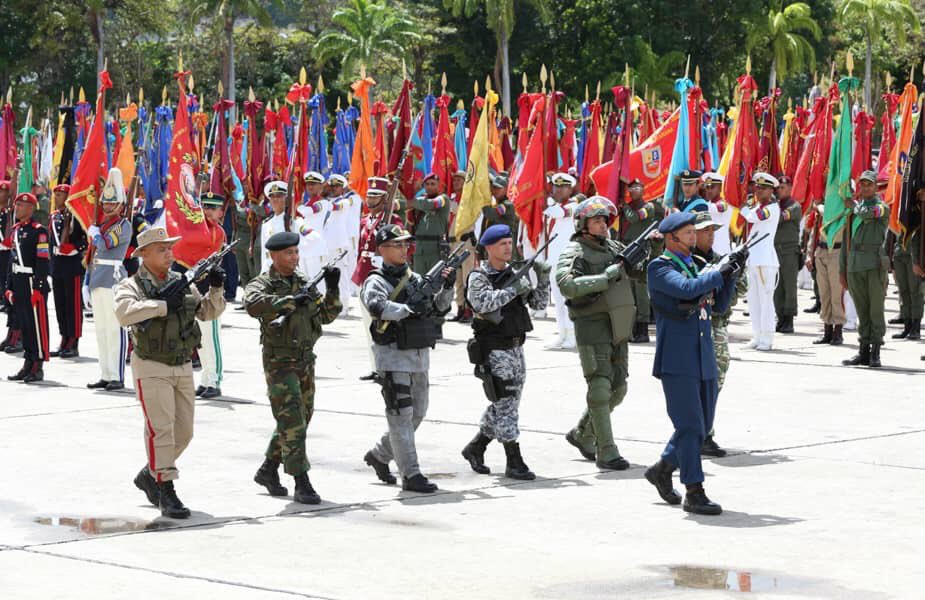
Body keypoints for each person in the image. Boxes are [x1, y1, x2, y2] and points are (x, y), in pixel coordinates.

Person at [114, 226, 226, 519]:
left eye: (169, 248)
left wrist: (215, 288)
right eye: (161, 249)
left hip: (181, 362)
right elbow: (124, 313)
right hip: (151, 364)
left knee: (184, 431)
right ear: (145, 255)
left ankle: (150, 474)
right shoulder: (132, 284)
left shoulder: (181, 281)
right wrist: (162, 306)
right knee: (161, 428)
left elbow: (207, 313)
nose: (168, 253)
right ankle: (166, 489)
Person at [644, 211, 741, 516]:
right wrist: (719, 271)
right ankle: (694, 491)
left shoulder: (696, 265)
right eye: (687, 233)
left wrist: (733, 271)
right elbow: (686, 290)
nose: (693, 237)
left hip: (703, 354)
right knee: (689, 425)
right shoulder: (660, 267)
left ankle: (663, 468)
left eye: (692, 233)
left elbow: (719, 306)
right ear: (672, 238)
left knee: (701, 426)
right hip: (678, 357)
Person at [244, 231, 342, 504]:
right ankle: (301, 480)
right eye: (288, 253)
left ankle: (267, 470)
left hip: (305, 360)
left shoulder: (303, 282)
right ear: (273, 256)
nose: (294, 257)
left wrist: (332, 288)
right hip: (280, 361)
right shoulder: (262, 283)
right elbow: (252, 305)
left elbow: (327, 316)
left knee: (300, 418)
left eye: (296, 252)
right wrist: (288, 301)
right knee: (292, 422)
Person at [361, 224, 455, 493]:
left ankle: (380, 454)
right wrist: (407, 309)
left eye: (405, 245)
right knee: (401, 417)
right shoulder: (375, 281)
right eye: (397, 245)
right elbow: (377, 306)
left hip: (418, 354)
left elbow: (438, 308)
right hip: (392, 357)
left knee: (418, 413)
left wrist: (446, 288)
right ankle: (411, 474)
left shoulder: (414, 279)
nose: (404, 250)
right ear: (382, 249)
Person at [555, 197, 639, 470]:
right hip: (592, 325)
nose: (603, 225)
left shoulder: (615, 247)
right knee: (600, 386)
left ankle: (583, 433)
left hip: (618, 323)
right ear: (583, 225)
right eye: (597, 221)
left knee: (619, 388)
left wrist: (652, 250)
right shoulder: (574, 250)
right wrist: (604, 277)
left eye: (605, 220)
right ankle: (606, 450)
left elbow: (641, 274)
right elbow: (566, 284)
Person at [461, 224, 550, 480]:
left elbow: (539, 305)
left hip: (516, 347)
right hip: (493, 348)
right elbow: (482, 303)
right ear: (489, 248)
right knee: (506, 403)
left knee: (506, 403)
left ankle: (476, 447)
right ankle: (514, 460)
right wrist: (513, 290)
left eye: (510, 243)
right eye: (502, 244)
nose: (508, 248)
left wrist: (541, 281)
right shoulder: (479, 277)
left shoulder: (515, 273)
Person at [690, 212, 744, 458]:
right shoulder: (688, 261)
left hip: (718, 326)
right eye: (705, 231)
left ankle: (703, 430)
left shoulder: (720, 259)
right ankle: (700, 433)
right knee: (700, 383)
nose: (710, 235)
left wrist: (738, 269)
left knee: (716, 380)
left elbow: (735, 294)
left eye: (713, 231)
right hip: (698, 326)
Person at [84, 168, 132, 391]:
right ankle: (106, 373)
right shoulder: (103, 226)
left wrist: (94, 234)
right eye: (105, 204)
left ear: (121, 206)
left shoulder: (123, 226)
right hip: (98, 278)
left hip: (113, 280)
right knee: (101, 330)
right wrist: (87, 282)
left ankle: (117, 375)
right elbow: (93, 256)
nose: (107, 207)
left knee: (115, 329)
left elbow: (104, 245)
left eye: (112, 204)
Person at [352, 176, 404, 382]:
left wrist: (384, 258)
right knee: (369, 326)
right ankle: (376, 367)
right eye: (369, 195)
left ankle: (389, 367)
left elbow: (404, 248)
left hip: (383, 279)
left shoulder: (394, 221)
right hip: (365, 277)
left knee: (386, 325)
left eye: (375, 196)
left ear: (384, 199)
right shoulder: (365, 220)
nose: (370, 200)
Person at [841, 170, 889, 368]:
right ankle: (863, 351)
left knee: (875, 309)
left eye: (869, 184)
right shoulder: (854, 211)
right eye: (862, 184)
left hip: (874, 264)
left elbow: (868, 214)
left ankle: (876, 351)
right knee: (861, 309)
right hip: (855, 264)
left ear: (876, 186)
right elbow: (847, 241)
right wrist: (842, 269)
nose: (865, 187)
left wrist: (853, 206)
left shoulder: (881, 207)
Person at [4, 192, 51, 383]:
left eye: (22, 206)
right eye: (17, 205)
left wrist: (39, 288)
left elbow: (43, 261)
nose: (18, 208)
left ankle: (37, 366)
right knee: (25, 326)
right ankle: (27, 363)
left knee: (37, 327)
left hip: (33, 283)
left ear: (31, 209)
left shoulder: (39, 231)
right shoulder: (15, 230)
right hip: (19, 282)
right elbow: (12, 260)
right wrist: (9, 287)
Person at [193, 192, 229, 399]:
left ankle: (214, 380)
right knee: (200, 338)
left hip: (210, 290)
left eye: (212, 208)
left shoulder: (218, 232)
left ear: (221, 211)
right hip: (196, 288)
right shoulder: (196, 229)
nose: (207, 211)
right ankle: (206, 379)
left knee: (211, 337)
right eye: (205, 207)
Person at [740, 172, 781, 351]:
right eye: (757, 187)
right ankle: (757, 335)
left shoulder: (772, 208)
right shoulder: (757, 206)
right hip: (754, 258)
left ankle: (767, 337)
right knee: (753, 299)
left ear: (771, 190)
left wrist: (744, 207)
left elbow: (752, 217)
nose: (759, 191)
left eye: (763, 188)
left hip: (766, 260)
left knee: (766, 300)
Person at [48, 184, 88, 358]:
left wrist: (75, 247)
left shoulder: (77, 216)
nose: (56, 197)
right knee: (60, 305)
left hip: (72, 265)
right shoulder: (54, 216)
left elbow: (87, 238)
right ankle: (64, 337)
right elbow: (51, 242)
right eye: (55, 194)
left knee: (73, 305)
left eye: (60, 194)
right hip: (57, 265)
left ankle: (73, 341)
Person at [620, 179, 661, 343]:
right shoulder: (627, 206)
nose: (634, 190)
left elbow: (634, 218)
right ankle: (632, 328)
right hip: (627, 249)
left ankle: (643, 330)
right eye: (631, 188)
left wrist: (625, 207)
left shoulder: (648, 207)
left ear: (643, 189)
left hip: (641, 252)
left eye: (638, 187)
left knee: (641, 291)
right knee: (629, 289)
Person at [543, 173, 580, 349]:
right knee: (557, 299)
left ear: (570, 188)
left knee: (568, 299)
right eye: (555, 187)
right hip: (554, 260)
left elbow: (562, 212)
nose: (557, 190)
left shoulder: (574, 205)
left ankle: (572, 334)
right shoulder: (556, 206)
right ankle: (562, 333)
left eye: (562, 187)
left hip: (568, 261)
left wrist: (546, 204)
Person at [773, 175, 802, 334]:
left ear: (790, 188)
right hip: (775, 250)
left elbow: (779, 218)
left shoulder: (794, 206)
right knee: (778, 287)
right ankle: (780, 318)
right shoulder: (775, 205)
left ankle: (789, 319)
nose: (779, 191)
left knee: (790, 286)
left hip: (790, 251)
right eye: (778, 188)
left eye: (782, 187)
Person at [447, 170, 476, 323]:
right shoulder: (452, 199)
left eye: (460, 180)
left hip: (466, 243)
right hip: (453, 244)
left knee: (467, 277)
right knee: (457, 278)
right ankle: (460, 307)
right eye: (455, 180)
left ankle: (469, 310)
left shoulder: (469, 201)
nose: (456, 182)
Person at [409, 172, 451, 276]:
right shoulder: (420, 201)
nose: (430, 187)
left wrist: (412, 203)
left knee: (435, 283)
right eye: (427, 184)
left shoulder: (443, 199)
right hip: (419, 249)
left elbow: (433, 204)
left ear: (439, 185)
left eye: (433, 184)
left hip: (435, 249)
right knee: (418, 283)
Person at [0, 179, 22, 353]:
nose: (2, 195)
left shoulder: (12, 214)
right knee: (5, 296)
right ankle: (10, 333)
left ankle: (18, 336)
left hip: (10, 256)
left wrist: (16, 173)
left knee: (13, 296)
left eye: (4, 192)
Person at [702, 172, 731, 255]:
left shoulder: (725, 204)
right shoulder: (707, 204)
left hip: (721, 249)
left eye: (712, 187)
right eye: (707, 187)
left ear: (720, 188)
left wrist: (698, 203)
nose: (709, 190)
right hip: (708, 248)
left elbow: (718, 208)